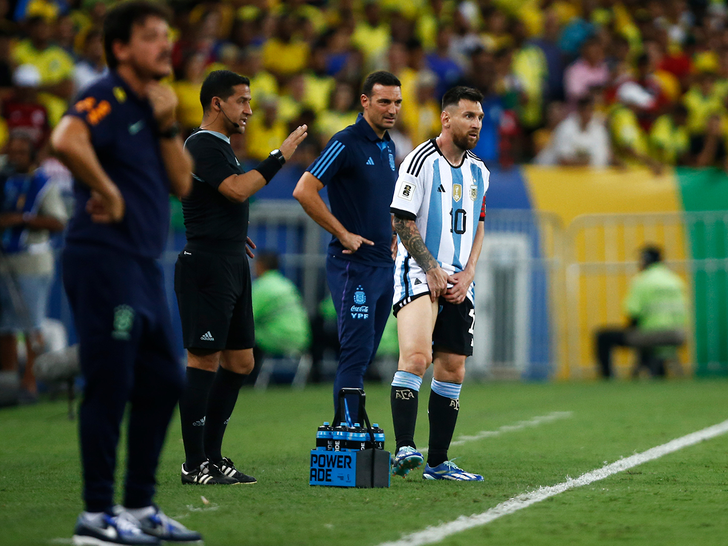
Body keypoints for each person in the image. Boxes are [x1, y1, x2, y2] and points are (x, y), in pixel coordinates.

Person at [50, 2, 201, 544]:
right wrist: (108, 190)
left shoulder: (150, 105)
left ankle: (138, 506)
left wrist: (165, 126)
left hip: (140, 264)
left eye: (168, 34)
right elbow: (65, 139)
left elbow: (183, 185)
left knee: (165, 379)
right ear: (120, 48)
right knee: (110, 383)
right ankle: (95, 515)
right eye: (152, 37)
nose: (166, 44)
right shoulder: (104, 94)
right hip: (103, 258)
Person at [175, 69, 307, 486]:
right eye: (243, 101)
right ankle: (194, 463)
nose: (250, 110)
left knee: (241, 361)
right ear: (217, 103)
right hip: (207, 265)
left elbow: (220, 199)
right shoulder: (201, 144)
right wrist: (278, 156)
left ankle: (212, 456)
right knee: (204, 359)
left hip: (229, 259)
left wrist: (232, 234)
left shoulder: (222, 147)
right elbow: (235, 190)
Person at [388, 86, 488, 481]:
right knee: (417, 358)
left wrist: (469, 273)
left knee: (453, 369)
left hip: (459, 279)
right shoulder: (419, 161)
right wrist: (430, 267)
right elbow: (401, 219)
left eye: (479, 117)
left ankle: (438, 462)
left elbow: (480, 225)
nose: (476, 124)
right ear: (446, 118)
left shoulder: (481, 170)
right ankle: (405, 447)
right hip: (417, 269)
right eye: (468, 116)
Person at [292, 70, 401, 422]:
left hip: (383, 264)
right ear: (365, 101)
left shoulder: (388, 145)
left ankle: (351, 424)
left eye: (397, 102)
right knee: (355, 352)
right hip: (354, 265)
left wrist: (394, 233)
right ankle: (347, 433)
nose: (392, 109)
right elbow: (304, 190)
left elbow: (383, 199)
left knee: (366, 352)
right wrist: (342, 233)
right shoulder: (345, 142)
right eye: (384, 101)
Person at [0, 130, 67, 401]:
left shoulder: (44, 184)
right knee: (4, 325)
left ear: (32, 155)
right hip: (4, 259)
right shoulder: (4, 177)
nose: (14, 157)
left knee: (31, 324)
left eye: (20, 153)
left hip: (33, 260)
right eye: (11, 152)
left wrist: (22, 219)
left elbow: (59, 221)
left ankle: (30, 383)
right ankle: (7, 382)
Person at [595, 245, 688, 379]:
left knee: (603, 336)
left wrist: (632, 331)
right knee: (641, 336)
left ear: (645, 261)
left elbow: (633, 313)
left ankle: (607, 378)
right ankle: (654, 367)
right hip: (678, 334)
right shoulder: (675, 280)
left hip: (652, 333)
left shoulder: (643, 280)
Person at [249, 250, 311, 383]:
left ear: (260, 265)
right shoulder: (287, 284)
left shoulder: (261, 287)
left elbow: (247, 317)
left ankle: (245, 381)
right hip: (302, 338)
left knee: (240, 336)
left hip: (278, 338)